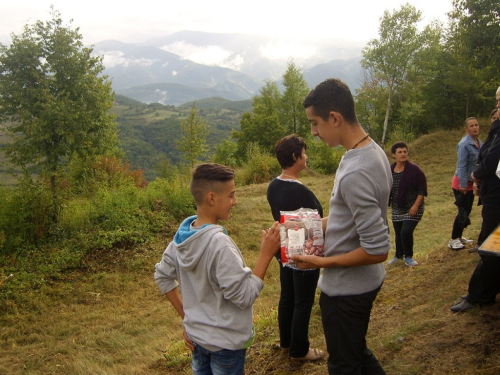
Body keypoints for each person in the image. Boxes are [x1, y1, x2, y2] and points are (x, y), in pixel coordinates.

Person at [291, 78, 391, 375]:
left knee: (344, 365)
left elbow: (377, 249)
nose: (313, 132)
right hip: (363, 283)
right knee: (356, 353)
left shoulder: (355, 171)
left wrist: (321, 262)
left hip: (347, 291)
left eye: (314, 123)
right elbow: (348, 218)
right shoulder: (370, 151)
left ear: (334, 118)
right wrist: (302, 226)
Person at [154, 163, 281, 374]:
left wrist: (188, 318)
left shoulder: (181, 239)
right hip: (226, 346)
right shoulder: (219, 245)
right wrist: (266, 253)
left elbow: (162, 276)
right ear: (211, 198)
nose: (235, 201)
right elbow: (244, 296)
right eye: (231, 195)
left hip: (197, 340)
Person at [266, 134, 325, 361]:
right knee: (303, 301)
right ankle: (300, 350)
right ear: (295, 156)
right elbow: (314, 224)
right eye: (304, 152)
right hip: (304, 253)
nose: (306, 156)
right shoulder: (300, 191)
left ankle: (286, 342)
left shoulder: (274, 185)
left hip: (284, 250)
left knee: (288, 297)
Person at [450, 88, 500, 313]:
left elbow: (490, 161)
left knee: (491, 246)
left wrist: (476, 175)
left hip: (496, 197)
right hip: (489, 192)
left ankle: (480, 294)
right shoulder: (491, 133)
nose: (497, 106)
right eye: (496, 101)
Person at [387, 142, 427, 267]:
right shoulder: (389, 170)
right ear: (394, 155)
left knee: (406, 231)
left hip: (413, 206)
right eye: (400, 152)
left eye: (405, 151)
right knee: (398, 233)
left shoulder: (415, 170)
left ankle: (408, 257)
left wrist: (415, 206)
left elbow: (422, 191)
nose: (403, 154)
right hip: (397, 207)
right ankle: (398, 255)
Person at [448, 117, 483, 250]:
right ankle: (453, 239)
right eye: (471, 126)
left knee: (467, 210)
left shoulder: (479, 143)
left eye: (476, 125)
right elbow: (461, 165)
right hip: (461, 183)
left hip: (471, 182)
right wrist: (462, 184)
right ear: (466, 129)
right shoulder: (464, 144)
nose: (475, 128)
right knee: (462, 211)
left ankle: (460, 236)